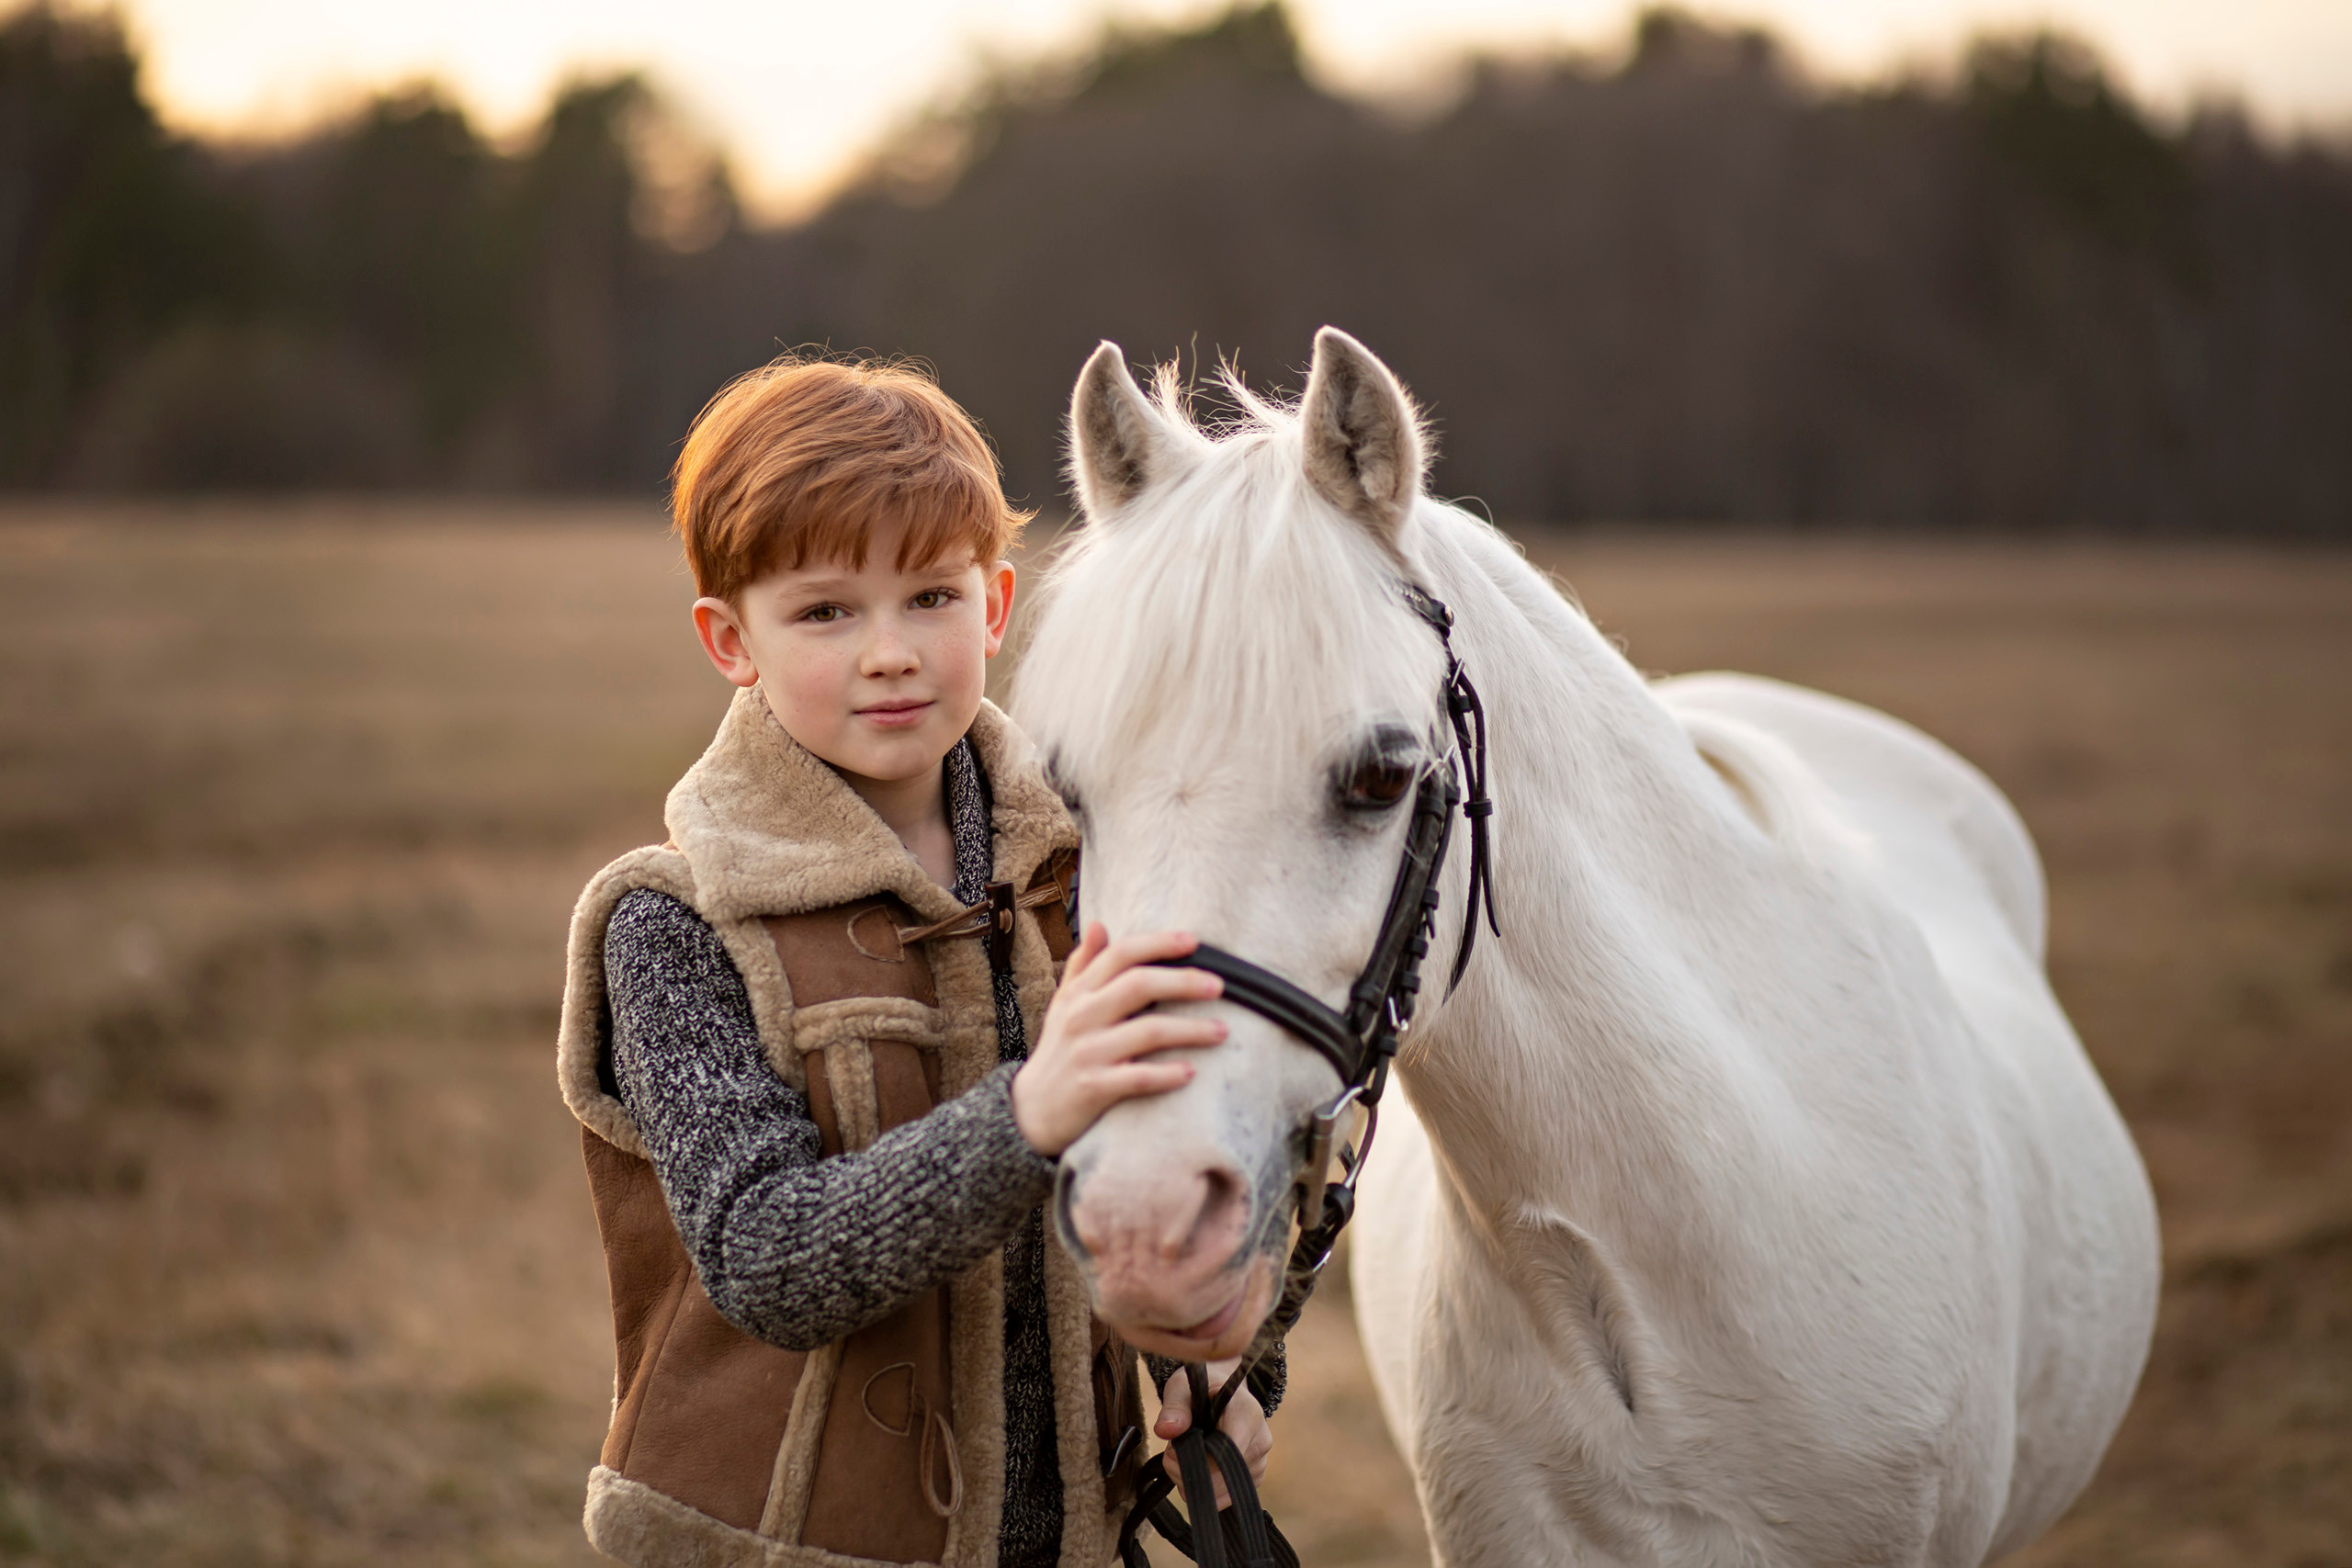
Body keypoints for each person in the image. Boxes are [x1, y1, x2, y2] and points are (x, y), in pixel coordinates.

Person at [552, 356, 1282, 1568]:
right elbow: (767, 1260)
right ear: (731, 639)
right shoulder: (673, 922)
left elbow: (1202, 1153)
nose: (890, 651)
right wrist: (1030, 1115)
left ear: (995, 608)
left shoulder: (1089, 871)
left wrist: (1225, 1362)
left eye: (931, 599)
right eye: (827, 611)